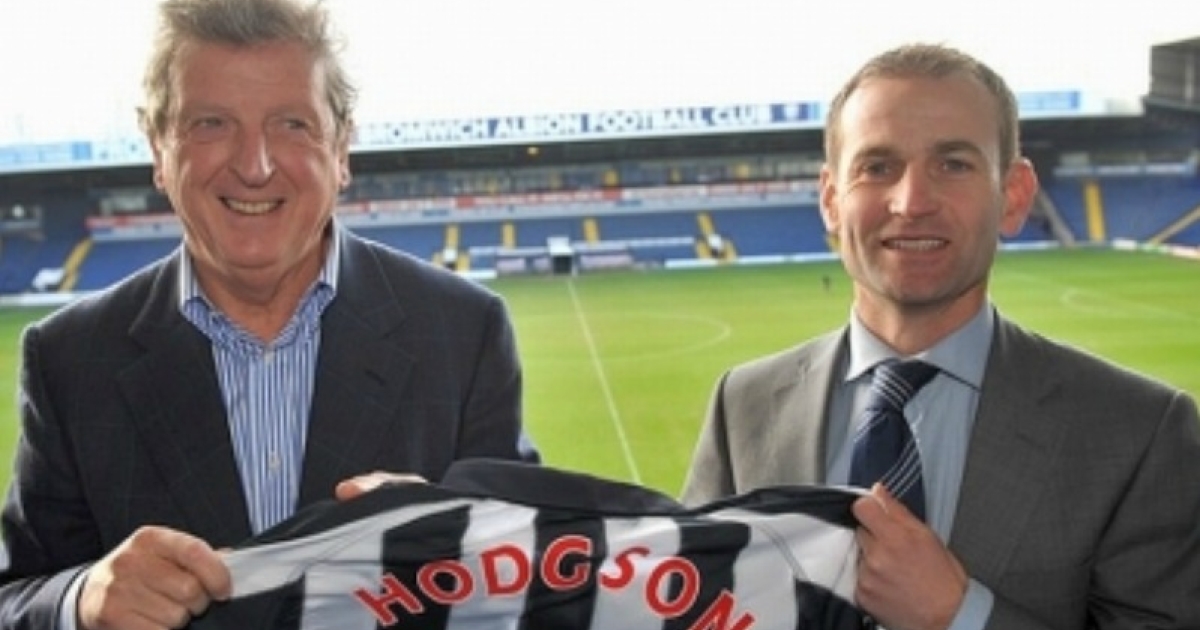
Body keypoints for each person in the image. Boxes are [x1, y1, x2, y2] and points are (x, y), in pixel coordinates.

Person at [0, 0, 537, 628]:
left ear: (342, 148)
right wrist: (81, 599)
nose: (254, 166)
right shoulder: (69, 359)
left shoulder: (463, 332)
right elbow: (16, 597)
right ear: (158, 148)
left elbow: (547, 577)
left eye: (292, 124)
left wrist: (463, 544)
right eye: (210, 124)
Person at [681, 43, 1200, 630]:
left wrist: (959, 616)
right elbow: (688, 606)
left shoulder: (1139, 432)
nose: (912, 203)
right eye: (877, 167)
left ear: (1013, 195)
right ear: (831, 200)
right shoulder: (742, 406)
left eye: (953, 164)